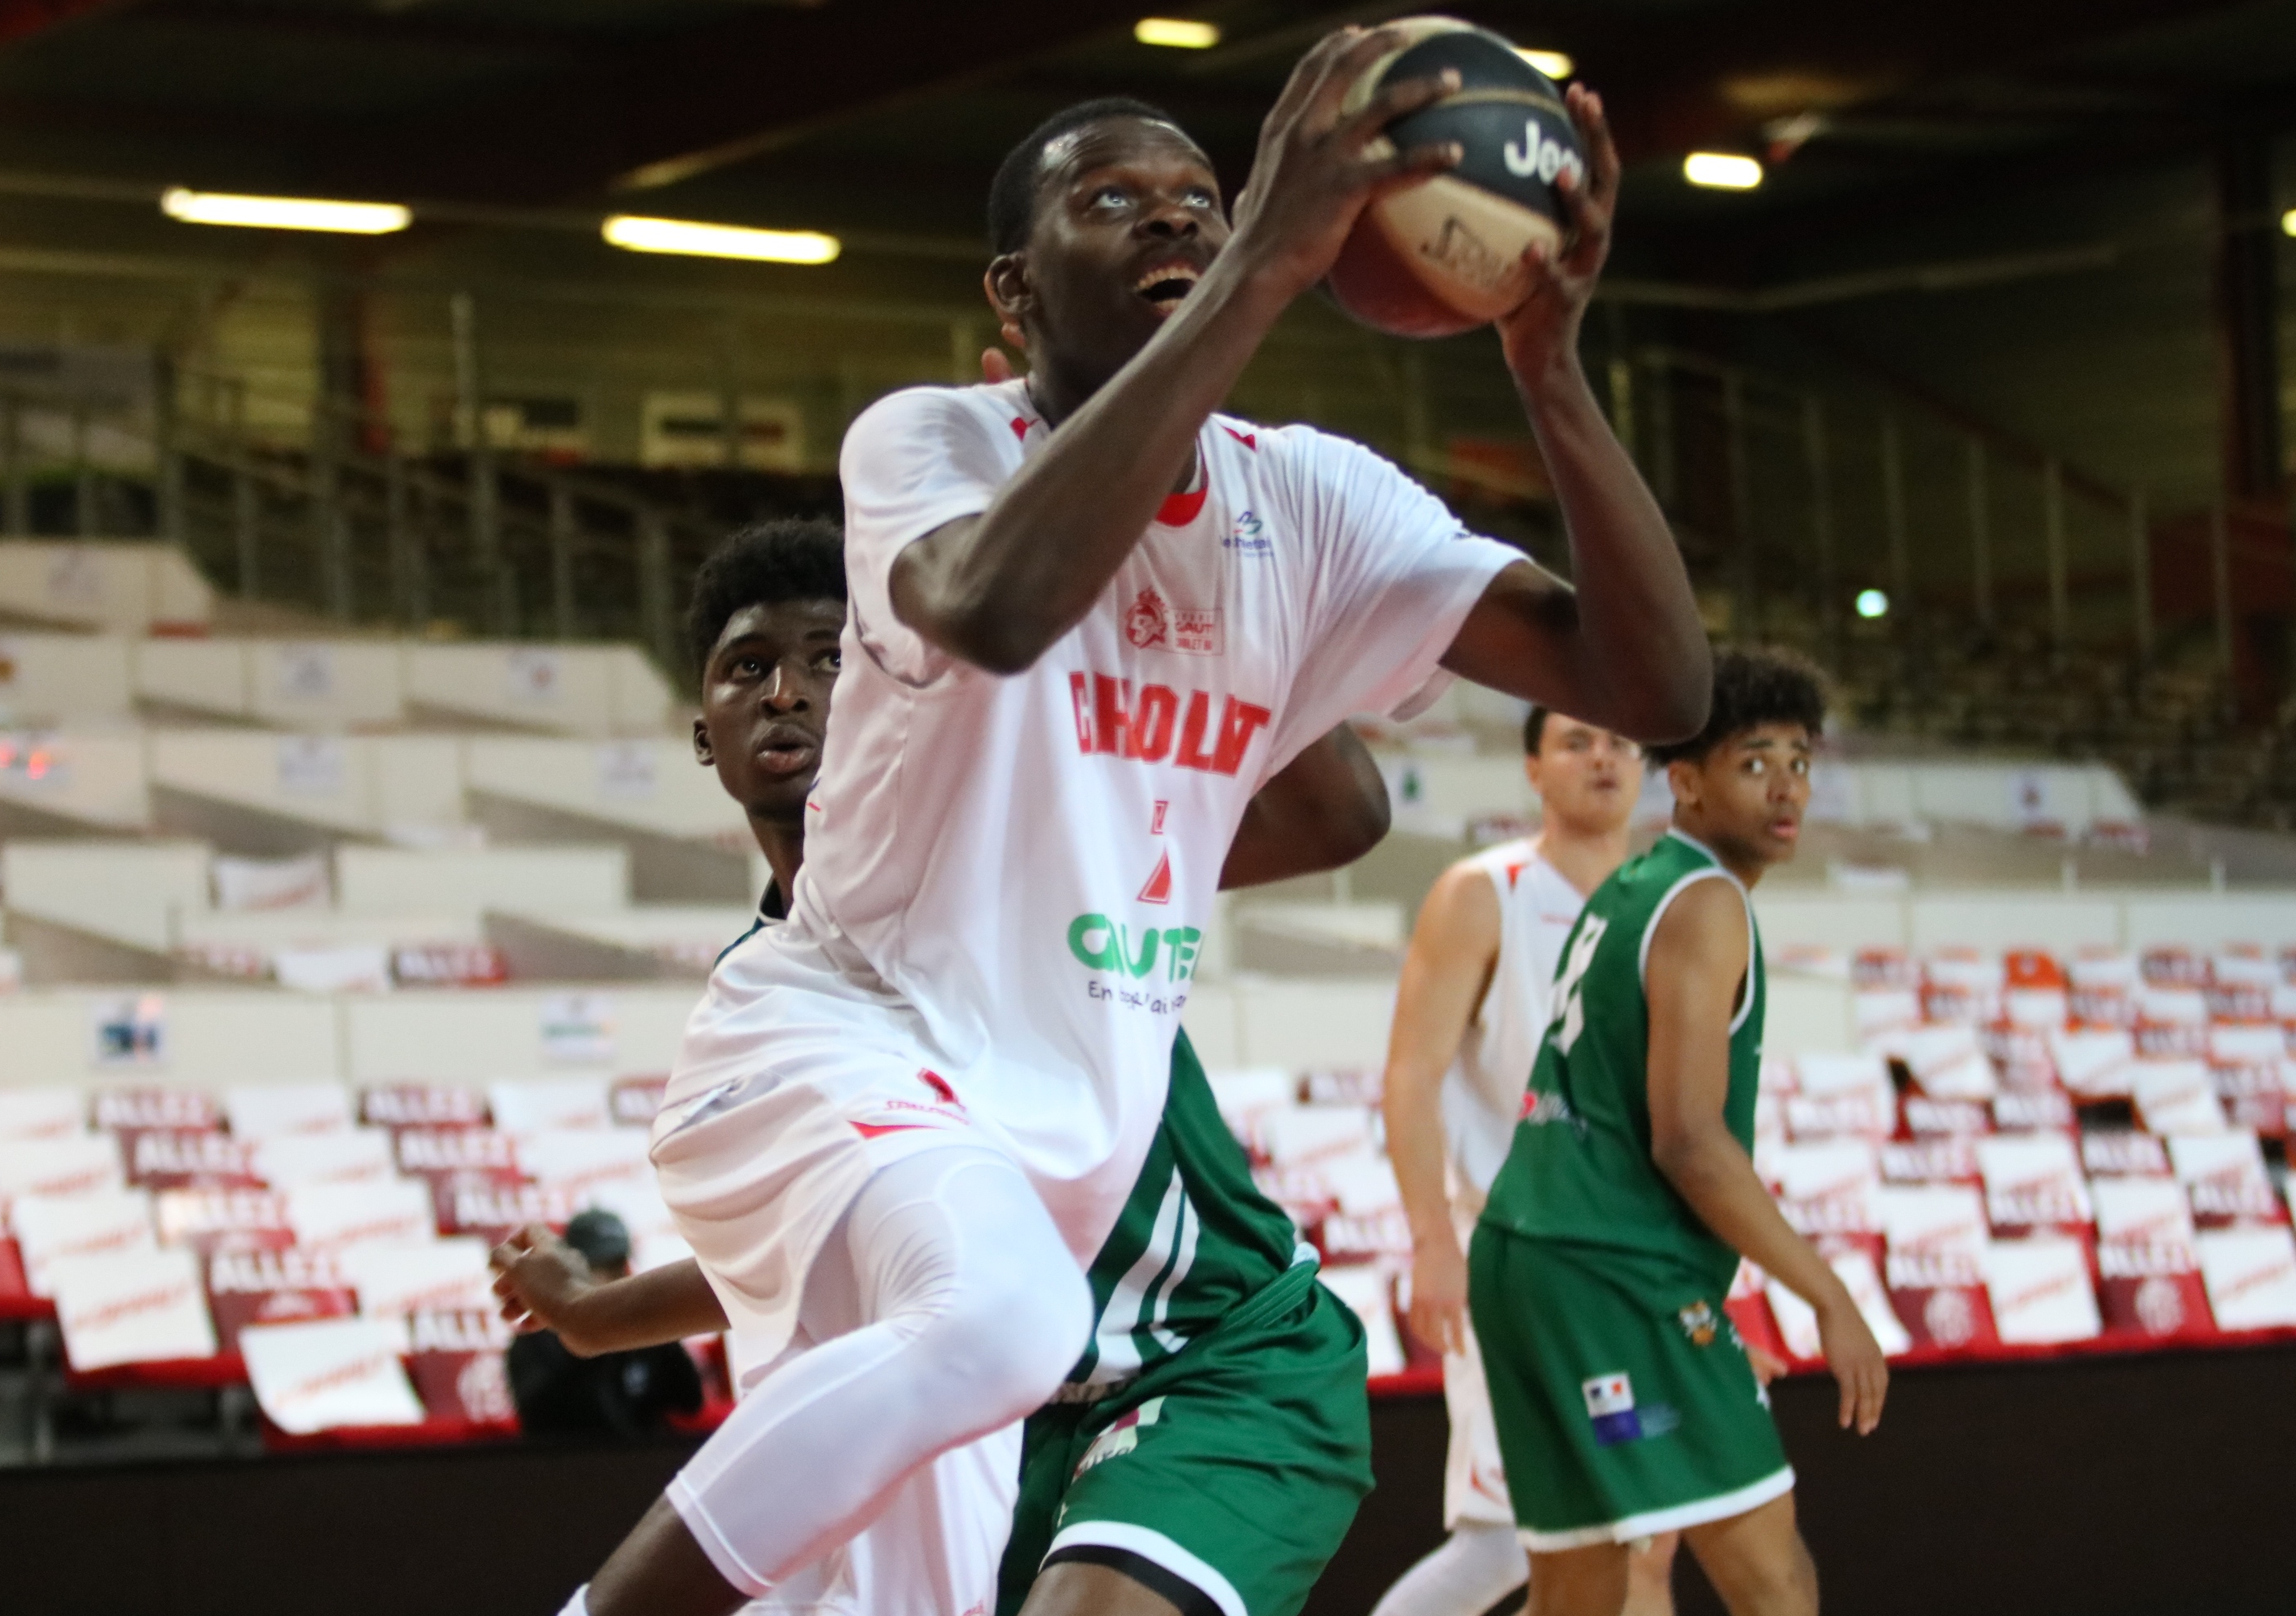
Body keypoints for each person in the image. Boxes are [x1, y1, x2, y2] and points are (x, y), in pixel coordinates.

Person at [570, 22, 1709, 1614]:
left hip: (1058, 1126)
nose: (1172, 214)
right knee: (1003, 1326)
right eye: (1112, 200)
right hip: (843, 1027)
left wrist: (1546, 363)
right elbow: (999, 606)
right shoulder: (938, 441)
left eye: (1197, 193)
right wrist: (1258, 264)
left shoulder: (1312, 499)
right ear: (1013, 293)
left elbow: (1650, 682)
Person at [497, 518, 1394, 1616]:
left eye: (830, 659)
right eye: (750, 668)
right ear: (704, 734)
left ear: (887, 686)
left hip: (1212, 1358)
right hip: (1009, 1415)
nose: (786, 691)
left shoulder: (1035, 858)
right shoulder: (771, 996)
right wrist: (598, 1314)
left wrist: (1161, 530)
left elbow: (1339, 814)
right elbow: (831, 1247)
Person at [1471, 648, 1889, 1616]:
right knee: (1777, 1584)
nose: (1787, 787)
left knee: (1579, 1591)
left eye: (1800, 761)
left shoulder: (1635, 881)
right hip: (1612, 1271)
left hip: (1525, 1257)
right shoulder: (1705, 904)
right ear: (1688, 782)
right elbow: (1689, 1141)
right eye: (1755, 762)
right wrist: (1827, 1296)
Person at [1374, 709, 1674, 1616]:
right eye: (1578, 740)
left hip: (1636, 1270)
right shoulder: (1484, 890)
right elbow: (1410, 1076)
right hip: (1518, 1256)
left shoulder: (1671, 903)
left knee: (1645, 1546)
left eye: (1622, 741)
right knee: (1507, 1538)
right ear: (1533, 767)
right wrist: (1434, 1241)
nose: (1604, 757)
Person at [505, 1209, 703, 1439]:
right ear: (569, 1270)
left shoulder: (645, 1328)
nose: (614, 1279)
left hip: (646, 1466)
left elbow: (691, 1401)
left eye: (618, 1267)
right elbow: (538, 1420)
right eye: (600, 1268)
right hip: (570, 1468)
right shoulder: (535, 1339)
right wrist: (591, 1334)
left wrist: (657, 1330)